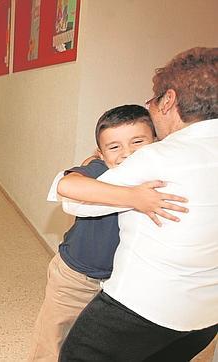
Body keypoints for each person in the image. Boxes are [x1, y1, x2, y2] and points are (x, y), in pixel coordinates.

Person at [57, 47, 218, 360]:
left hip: (140, 308)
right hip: (205, 317)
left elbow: (73, 201)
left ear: (168, 100)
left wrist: (132, 196)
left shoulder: (158, 156)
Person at [29, 105, 158, 361]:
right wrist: (134, 198)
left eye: (138, 142)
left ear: (157, 141)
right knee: (52, 339)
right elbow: (66, 185)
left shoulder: (166, 176)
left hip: (122, 284)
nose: (127, 153)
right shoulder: (101, 172)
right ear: (101, 154)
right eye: (114, 147)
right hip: (75, 277)